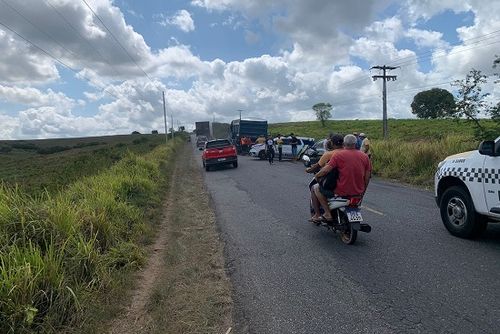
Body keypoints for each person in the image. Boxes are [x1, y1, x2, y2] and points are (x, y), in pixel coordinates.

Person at [311, 134, 372, 223]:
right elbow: (367, 177)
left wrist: (317, 176)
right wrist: (363, 191)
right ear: (355, 143)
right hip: (357, 192)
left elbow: (325, 170)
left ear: (344, 143)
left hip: (341, 191)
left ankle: (327, 213)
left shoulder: (338, 155)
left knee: (316, 188)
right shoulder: (365, 157)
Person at [306, 134, 344, 222]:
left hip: (334, 183)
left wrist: (311, 171)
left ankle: (318, 214)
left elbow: (318, 167)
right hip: (349, 182)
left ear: (332, 143)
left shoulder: (329, 154)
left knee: (314, 188)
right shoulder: (349, 153)